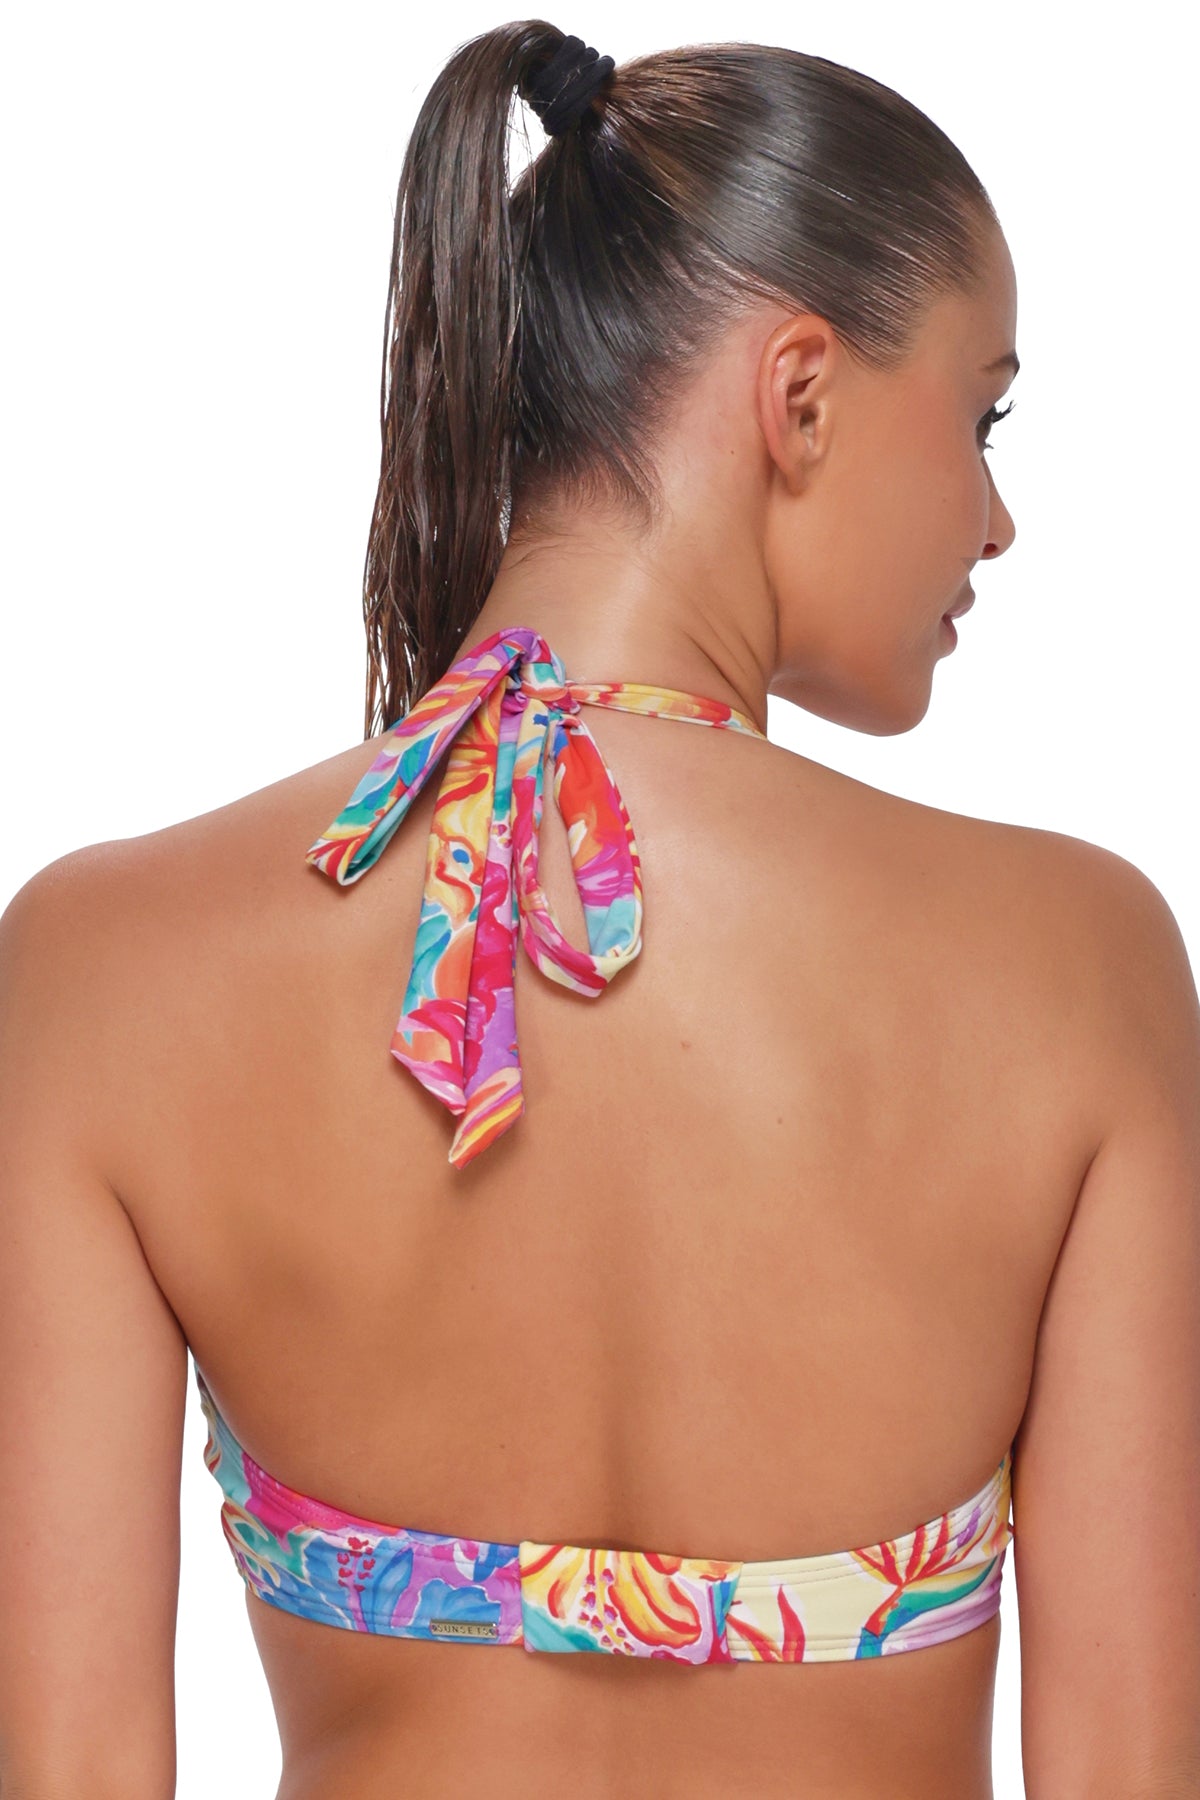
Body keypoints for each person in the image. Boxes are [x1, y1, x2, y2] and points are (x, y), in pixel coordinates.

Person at [0, 18, 1197, 1799]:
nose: (998, 518)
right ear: (801, 395)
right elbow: (1127, 1770)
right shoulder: (1079, 965)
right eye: (984, 411)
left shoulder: (99, 966)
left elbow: (76, 1766)